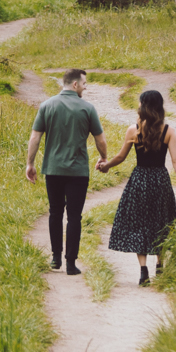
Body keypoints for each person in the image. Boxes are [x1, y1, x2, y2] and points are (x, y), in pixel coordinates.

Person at [98, 88, 176, 285]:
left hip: (139, 181)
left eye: (140, 103)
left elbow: (121, 157)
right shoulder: (168, 131)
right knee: (162, 222)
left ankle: (143, 270)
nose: (138, 106)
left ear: (145, 106)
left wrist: (106, 166)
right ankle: (160, 264)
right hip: (160, 181)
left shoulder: (134, 130)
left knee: (140, 224)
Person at [25, 68, 106, 276]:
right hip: (78, 171)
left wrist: (30, 164)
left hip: (53, 169)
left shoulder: (47, 105)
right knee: (74, 217)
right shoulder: (87, 108)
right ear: (75, 84)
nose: (86, 88)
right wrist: (104, 157)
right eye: (85, 84)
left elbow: (35, 137)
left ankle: (55, 258)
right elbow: (100, 139)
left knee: (55, 212)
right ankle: (71, 263)